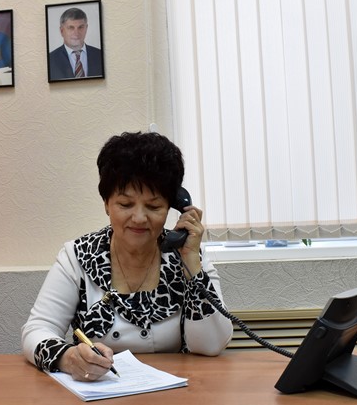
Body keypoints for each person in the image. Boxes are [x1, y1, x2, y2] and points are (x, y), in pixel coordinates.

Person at [21, 131, 233, 381]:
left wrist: (192, 264)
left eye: (154, 206)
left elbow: (211, 346)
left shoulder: (185, 254)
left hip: (175, 399)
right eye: (125, 204)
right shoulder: (77, 255)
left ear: (173, 206)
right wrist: (68, 358)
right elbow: (36, 330)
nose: (139, 218)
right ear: (106, 203)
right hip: (99, 398)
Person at [48, 7, 104, 80]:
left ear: (86, 28)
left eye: (80, 27)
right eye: (71, 28)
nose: (76, 33)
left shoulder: (100, 55)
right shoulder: (50, 60)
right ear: (62, 31)